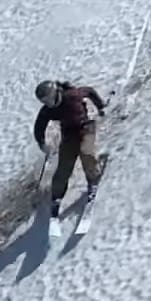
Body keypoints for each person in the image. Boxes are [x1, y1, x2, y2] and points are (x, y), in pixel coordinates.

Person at [33, 79, 106, 215]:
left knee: (86, 152)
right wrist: (42, 142)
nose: (48, 104)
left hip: (86, 126)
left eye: (49, 99)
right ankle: (57, 195)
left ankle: (93, 179)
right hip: (69, 134)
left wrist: (100, 107)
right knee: (64, 166)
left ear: (55, 93)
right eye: (44, 102)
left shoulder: (72, 95)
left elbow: (89, 91)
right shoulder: (48, 110)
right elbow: (39, 127)